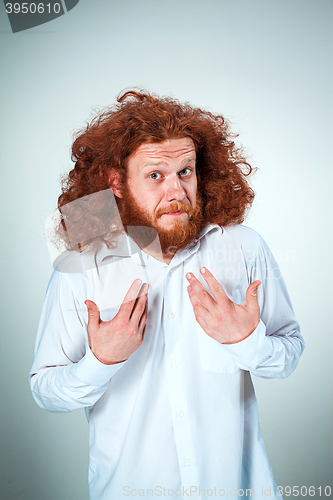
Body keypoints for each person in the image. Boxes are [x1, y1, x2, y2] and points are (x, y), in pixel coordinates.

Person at [30, 90, 304, 500]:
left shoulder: (243, 247)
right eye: (156, 175)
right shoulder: (83, 264)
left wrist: (247, 342)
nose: (176, 191)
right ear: (116, 182)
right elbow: (45, 391)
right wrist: (100, 361)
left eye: (185, 171)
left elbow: (289, 353)